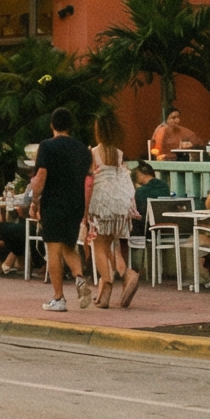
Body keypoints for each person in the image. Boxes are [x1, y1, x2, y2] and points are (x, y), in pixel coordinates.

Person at [30, 108, 91, 312]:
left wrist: (34, 199)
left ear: (52, 125)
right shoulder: (83, 149)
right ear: (70, 126)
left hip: (53, 203)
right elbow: (87, 179)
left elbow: (42, 175)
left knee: (53, 250)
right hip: (75, 203)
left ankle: (59, 298)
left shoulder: (47, 146)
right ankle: (80, 278)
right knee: (69, 246)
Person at [83, 129, 141, 308]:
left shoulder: (93, 153)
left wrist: (85, 211)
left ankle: (109, 285)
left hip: (101, 202)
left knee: (98, 246)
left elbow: (90, 180)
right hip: (118, 202)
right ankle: (124, 277)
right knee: (110, 245)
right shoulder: (118, 153)